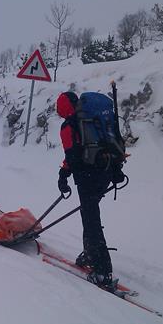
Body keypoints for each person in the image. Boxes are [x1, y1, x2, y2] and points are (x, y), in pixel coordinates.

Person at [56, 91, 123, 289]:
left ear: (63, 109)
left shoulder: (69, 125)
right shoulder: (94, 119)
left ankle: (102, 271)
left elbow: (73, 156)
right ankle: (90, 254)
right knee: (89, 213)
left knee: (91, 220)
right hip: (107, 171)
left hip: (88, 177)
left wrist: (64, 175)